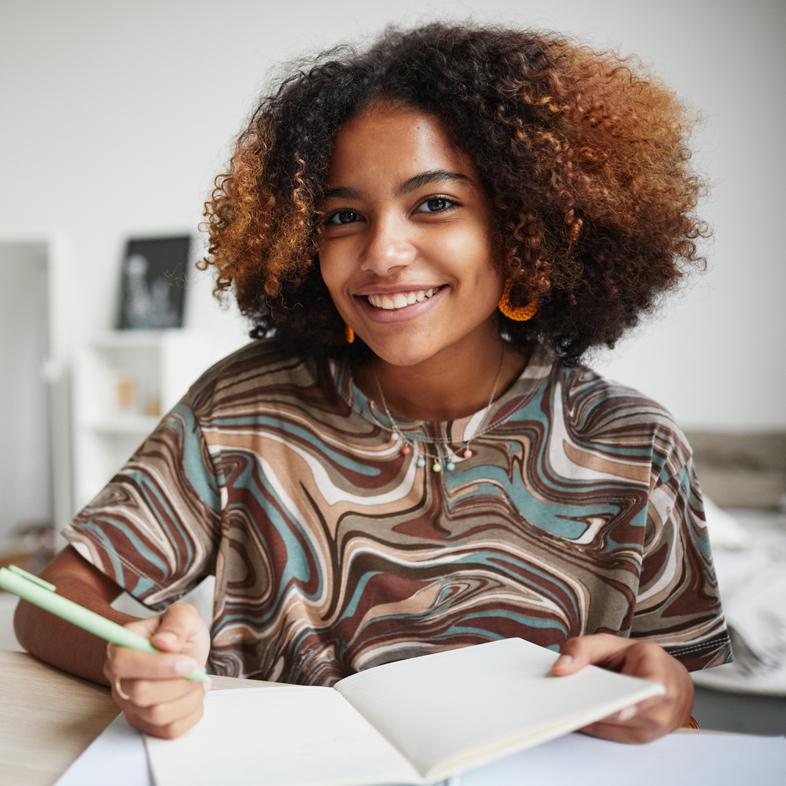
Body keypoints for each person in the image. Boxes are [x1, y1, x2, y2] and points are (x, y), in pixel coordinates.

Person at [15, 21, 731, 745]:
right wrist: (129, 655)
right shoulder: (245, 408)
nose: (383, 253)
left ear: (525, 226)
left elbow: (678, 698)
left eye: (435, 203)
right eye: (344, 216)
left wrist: (664, 696)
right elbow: (48, 600)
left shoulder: (633, 445)